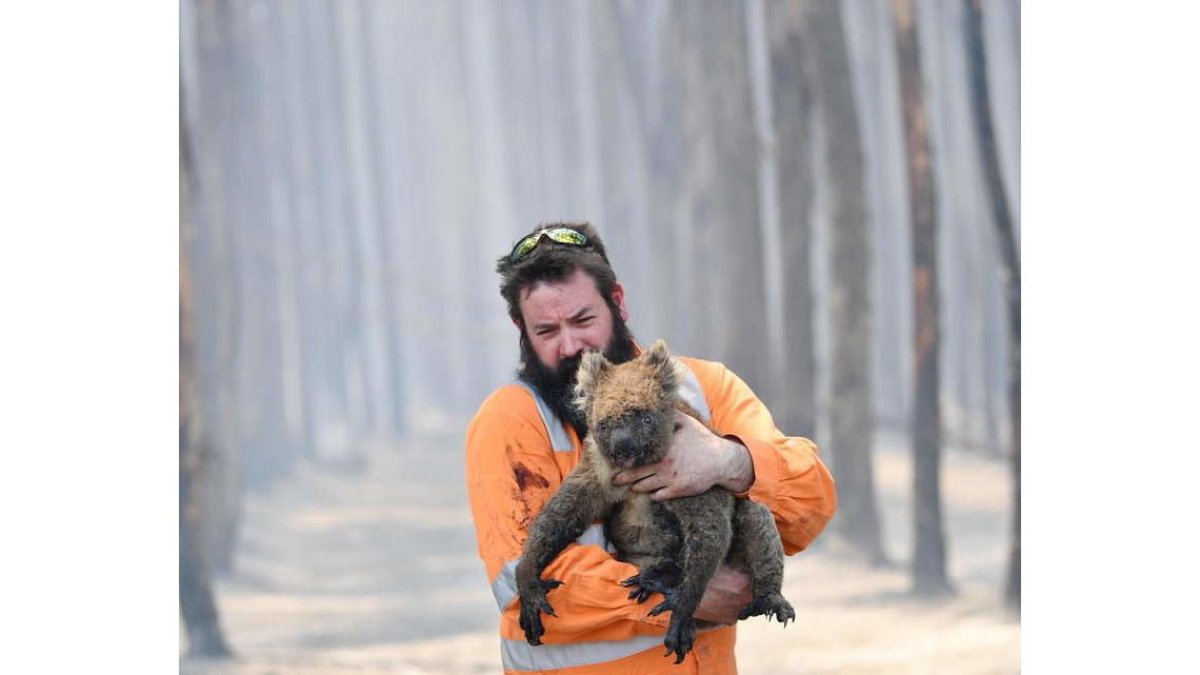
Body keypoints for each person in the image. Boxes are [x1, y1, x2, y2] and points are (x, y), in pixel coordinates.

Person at [465, 222, 837, 674]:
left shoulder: (703, 387)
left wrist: (731, 461)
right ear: (520, 328)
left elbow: (811, 503)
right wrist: (677, 592)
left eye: (583, 321)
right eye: (546, 331)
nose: (572, 347)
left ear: (617, 302)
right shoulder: (511, 420)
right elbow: (518, 581)